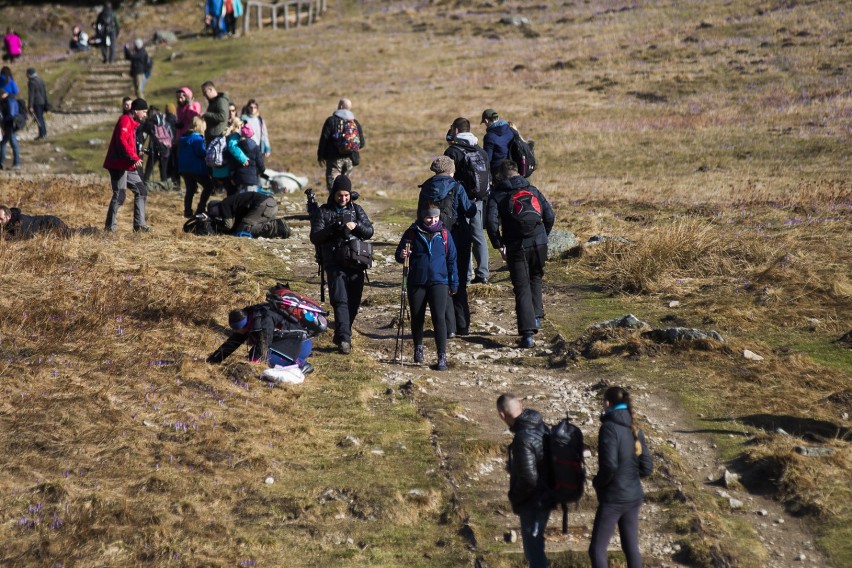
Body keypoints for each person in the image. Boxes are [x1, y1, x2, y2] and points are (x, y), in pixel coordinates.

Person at [485, 160, 554, 348]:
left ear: (501, 175)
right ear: (517, 172)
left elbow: (491, 224)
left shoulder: (497, 195)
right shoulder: (533, 189)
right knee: (536, 277)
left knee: (521, 286)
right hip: (539, 241)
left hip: (516, 245)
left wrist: (498, 244)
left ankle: (527, 334)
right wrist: (543, 236)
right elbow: (550, 216)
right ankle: (537, 316)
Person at [589, 387, 654, 568]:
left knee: (596, 549)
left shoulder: (609, 427)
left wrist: (598, 483)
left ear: (607, 403)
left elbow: (609, 465)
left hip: (614, 498)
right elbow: (647, 468)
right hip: (634, 496)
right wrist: (630, 477)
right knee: (631, 548)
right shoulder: (635, 427)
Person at [309, 175, 374, 355]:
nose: (343, 198)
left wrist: (357, 226)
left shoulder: (357, 209)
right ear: (334, 193)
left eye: (346, 195)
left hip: (356, 262)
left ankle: (342, 331)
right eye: (340, 195)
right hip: (334, 263)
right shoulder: (323, 211)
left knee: (354, 301)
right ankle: (345, 339)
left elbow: (369, 231)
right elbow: (315, 236)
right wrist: (335, 227)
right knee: (340, 300)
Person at [417, 156, 476, 338]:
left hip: (436, 239)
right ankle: (463, 325)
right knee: (459, 280)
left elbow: (420, 213)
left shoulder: (426, 188)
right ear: (451, 170)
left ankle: (448, 327)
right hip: (458, 237)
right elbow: (470, 211)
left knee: (443, 280)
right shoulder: (457, 186)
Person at [395, 204, 457, 371]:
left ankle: (441, 356)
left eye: (435, 217)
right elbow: (398, 255)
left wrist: (454, 283)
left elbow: (452, 260)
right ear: (422, 216)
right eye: (429, 217)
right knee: (417, 317)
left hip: (440, 282)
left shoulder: (444, 234)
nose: (432, 220)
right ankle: (418, 348)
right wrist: (402, 255)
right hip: (417, 281)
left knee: (439, 318)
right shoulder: (412, 233)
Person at [496, 393, 554, 568]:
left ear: (501, 415)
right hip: (547, 494)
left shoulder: (522, 438)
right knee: (536, 548)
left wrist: (516, 496)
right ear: (520, 406)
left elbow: (529, 478)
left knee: (534, 552)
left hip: (533, 500)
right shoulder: (540, 425)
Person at [445, 116, 491, 285]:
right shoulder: (480, 150)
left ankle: (467, 274)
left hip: (460, 201)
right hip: (478, 199)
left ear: (455, 130)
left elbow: (447, 177)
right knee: (478, 235)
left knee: (462, 237)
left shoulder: (453, 151)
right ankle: (483, 273)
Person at [206, 304, 314, 375]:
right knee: (256, 354)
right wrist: (213, 360)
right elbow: (232, 343)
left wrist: (253, 364)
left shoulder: (263, 320)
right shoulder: (249, 318)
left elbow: (264, 342)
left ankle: (301, 364)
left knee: (263, 355)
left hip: (301, 343)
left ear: (242, 326)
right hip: (291, 341)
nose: (236, 332)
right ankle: (293, 361)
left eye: (236, 330)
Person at [103, 98, 150, 233]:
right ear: (136, 111)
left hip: (128, 164)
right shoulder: (125, 120)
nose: (145, 115)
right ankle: (109, 229)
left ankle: (139, 226)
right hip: (118, 164)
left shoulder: (132, 122)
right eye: (144, 112)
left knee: (141, 191)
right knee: (120, 195)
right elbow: (122, 141)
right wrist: (134, 157)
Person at [317, 98, 365, 192]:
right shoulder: (355, 123)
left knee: (333, 186)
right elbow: (362, 143)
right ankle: (347, 205)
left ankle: (333, 205)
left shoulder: (331, 121)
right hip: (350, 159)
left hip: (334, 159)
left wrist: (320, 156)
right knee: (346, 187)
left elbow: (324, 140)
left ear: (340, 106)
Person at [178, 116, 214, 218]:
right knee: (208, 186)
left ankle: (187, 211)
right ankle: (201, 207)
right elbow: (201, 153)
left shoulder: (183, 139)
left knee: (190, 188)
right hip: (196, 168)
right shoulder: (197, 139)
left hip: (185, 169)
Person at [206, 191, 281, 237]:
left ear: (215, 205)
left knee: (244, 228)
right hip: (272, 204)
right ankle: (279, 228)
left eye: (212, 211)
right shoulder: (234, 205)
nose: (214, 214)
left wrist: (213, 222)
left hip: (263, 204)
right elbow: (234, 227)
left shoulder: (224, 204)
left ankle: (274, 226)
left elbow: (228, 225)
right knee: (244, 229)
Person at [140, 106, 173, 184]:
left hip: (154, 148)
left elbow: (143, 136)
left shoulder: (149, 123)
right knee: (163, 170)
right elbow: (171, 135)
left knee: (148, 169)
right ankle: (165, 186)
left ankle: (144, 184)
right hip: (165, 148)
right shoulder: (165, 121)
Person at [230, 123, 264, 193]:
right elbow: (260, 164)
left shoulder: (236, 148)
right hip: (252, 179)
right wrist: (259, 172)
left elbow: (232, 165)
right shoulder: (256, 148)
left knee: (241, 201)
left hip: (239, 179)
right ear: (251, 135)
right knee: (251, 200)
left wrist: (232, 177)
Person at [0, 205, 70, 239]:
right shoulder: (8, 222)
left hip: (51, 223)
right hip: (46, 222)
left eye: (1, 219)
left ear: (8, 216)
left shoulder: (19, 221)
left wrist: (3, 235)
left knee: (70, 234)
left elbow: (22, 237)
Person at [481, 108, 515, 177]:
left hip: (498, 172)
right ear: (498, 118)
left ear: (486, 120)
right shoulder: (511, 129)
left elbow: (487, 159)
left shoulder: (489, 136)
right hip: (513, 168)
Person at [0, 89, 21, 170]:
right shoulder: (9, 100)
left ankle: (15, 163)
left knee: (7, 143)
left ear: (4, 94)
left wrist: (3, 120)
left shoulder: (9, 101)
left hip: (10, 125)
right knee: (11, 144)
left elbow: (11, 115)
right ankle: (16, 163)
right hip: (10, 125)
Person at [26, 68, 49, 140]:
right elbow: (44, 92)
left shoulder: (31, 82)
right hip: (42, 101)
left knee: (39, 119)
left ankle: (41, 135)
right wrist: (46, 102)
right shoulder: (40, 80)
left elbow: (31, 95)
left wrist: (30, 106)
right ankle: (44, 133)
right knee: (41, 118)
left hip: (36, 102)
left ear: (29, 74)